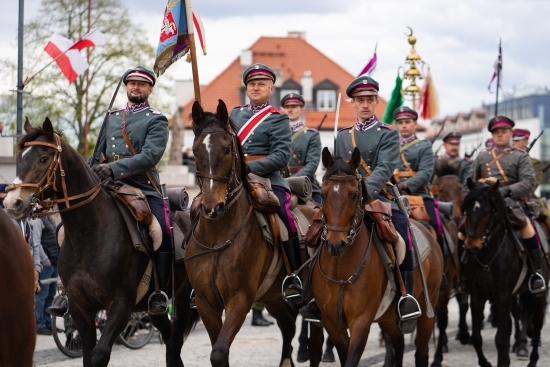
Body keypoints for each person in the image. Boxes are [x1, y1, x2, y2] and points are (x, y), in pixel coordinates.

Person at [301, 76, 421, 332]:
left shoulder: (389, 133)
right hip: (345, 200)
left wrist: (364, 191)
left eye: (369, 100)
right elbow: (336, 169)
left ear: (376, 102)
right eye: (360, 100)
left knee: (401, 236)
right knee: (313, 235)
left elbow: (386, 167)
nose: (365, 105)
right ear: (353, 103)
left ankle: (405, 297)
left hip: (379, 198)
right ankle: (313, 295)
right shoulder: (343, 136)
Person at [90, 66, 172, 314]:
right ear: (126, 86)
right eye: (132, 83)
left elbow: (150, 156)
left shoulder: (156, 119)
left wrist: (114, 168)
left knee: (162, 232)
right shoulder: (112, 117)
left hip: (142, 185)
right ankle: (69, 290)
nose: (136, 87)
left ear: (150, 89)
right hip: (108, 185)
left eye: (141, 84)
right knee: (70, 225)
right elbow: (96, 156)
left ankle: (160, 292)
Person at [229, 63, 303, 304]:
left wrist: (247, 168)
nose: (256, 87)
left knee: (284, 217)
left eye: (261, 84)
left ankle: (294, 275)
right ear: (246, 87)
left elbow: (281, 156)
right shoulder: (234, 114)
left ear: (271, 88)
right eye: (252, 84)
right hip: (234, 179)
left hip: (269, 180)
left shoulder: (277, 118)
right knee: (202, 210)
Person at [462, 116, 545, 294]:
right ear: (492, 135)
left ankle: (536, 273)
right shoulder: (482, 156)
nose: (500, 135)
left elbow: (528, 182)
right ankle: (462, 273)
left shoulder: (520, 156)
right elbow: (468, 182)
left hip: (511, 202)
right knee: (462, 230)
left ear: (510, 134)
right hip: (485, 202)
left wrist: (505, 191)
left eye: (504, 132)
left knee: (527, 227)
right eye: (496, 133)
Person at [393, 106, 445, 254]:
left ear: (415, 124)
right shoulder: (389, 147)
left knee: (436, 225)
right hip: (393, 194)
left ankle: (441, 259)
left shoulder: (424, 147)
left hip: (418, 194)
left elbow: (426, 173)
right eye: (400, 122)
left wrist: (405, 185)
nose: (404, 125)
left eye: (408, 121)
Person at [280, 93, 322, 205]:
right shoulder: (277, 134)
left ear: (302, 109)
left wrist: (292, 180)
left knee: (321, 215)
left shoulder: (312, 135)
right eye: (287, 107)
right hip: (279, 182)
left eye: (294, 106)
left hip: (303, 183)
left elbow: (312, 164)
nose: (290, 110)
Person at [31, 216, 59, 335]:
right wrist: (45, 260)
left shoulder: (48, 217)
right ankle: (40, 324)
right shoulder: (37, 219)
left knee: (51, 294)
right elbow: (36, 242)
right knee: (43, 294)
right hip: (46, 263)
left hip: (54, 260)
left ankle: (48, 323)